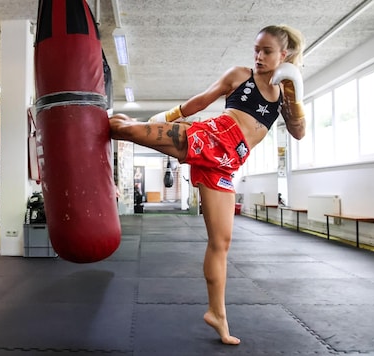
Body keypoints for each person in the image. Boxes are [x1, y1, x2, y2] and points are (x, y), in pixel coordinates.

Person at [109, 24, 306, 345]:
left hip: (229, 163)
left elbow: (298, 133)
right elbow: (198, 103)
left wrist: (295, 97)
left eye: (267, 51)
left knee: (221, 243)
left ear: (284, 55)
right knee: (127, 130)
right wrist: (161, 120)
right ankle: (94, 122)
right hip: (212, 137)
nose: (258, 56)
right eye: (256, 48)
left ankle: (218, 314)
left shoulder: (284, 92)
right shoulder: (240, 75)